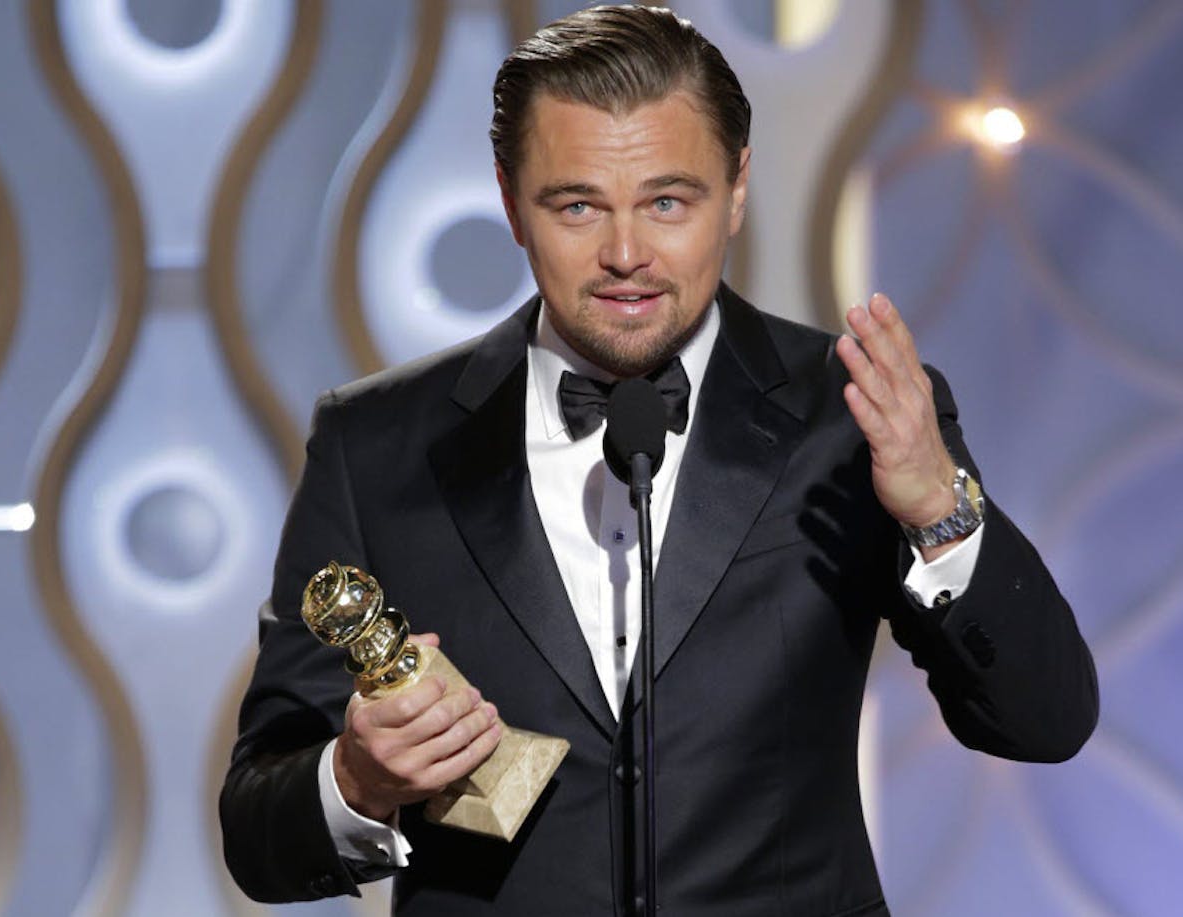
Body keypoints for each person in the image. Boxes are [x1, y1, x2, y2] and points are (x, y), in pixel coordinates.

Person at [220, 6, 1097, 915]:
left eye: (668, 201)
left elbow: (1046, 719)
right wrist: (357, 777)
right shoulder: (375, 443)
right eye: (577, 205)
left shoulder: (852, 418)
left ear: (739, 187)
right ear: (511, 199)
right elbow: (256, 831)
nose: (627, 255)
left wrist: (937, 514)